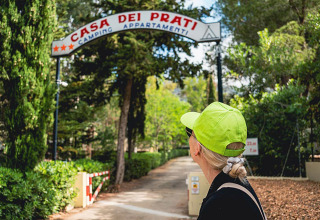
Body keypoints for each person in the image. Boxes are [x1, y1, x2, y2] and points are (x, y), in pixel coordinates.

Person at [180, 102, 267, 220]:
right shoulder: (238, 187)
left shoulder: (218, 206)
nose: (188, 137)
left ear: (197, 148)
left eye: (189, 132)